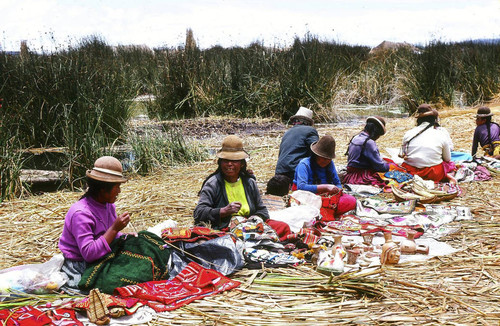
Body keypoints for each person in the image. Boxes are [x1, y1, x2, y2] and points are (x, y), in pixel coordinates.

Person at [59, 156, 132, 290]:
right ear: (103, 189)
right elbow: (89, 253)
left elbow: (108, 236)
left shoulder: (107, 205)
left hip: (101, 255)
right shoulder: (81, 213)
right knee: (113, 285)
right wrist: (115, 229)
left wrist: (123, 236)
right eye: (117, 187)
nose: (119, 191)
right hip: (79, 264)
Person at [194, 135, 270, 230]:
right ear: (220, 163)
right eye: (226, 160)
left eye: (234, 161)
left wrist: (255, 218)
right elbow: (199, 213)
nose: (229, 164)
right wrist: (223, 211)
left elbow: (263, 210)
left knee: (282, 226)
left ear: (242, 164)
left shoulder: (249, 183)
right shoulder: (213, 184)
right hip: (225, 228)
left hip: (250, 225)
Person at [294, 135, 357, 216]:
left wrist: (337, 190)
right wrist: (325, 187)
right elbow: (301, 186)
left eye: (329, 159)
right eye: (323, 158)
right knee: (305, 205)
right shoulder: (304, 164)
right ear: (316, 155)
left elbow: (337, 182)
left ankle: (325, 211)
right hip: (307, 196)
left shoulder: (330, 164)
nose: (326, 161)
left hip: (326, 197)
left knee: (351, 201)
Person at [399, 104, 456, 183]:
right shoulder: (440, 134)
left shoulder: (408, 134)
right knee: (450, 165)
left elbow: (404, 154)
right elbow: (447, 159)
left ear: (418, 120)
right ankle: (448, 177)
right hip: (433, 173)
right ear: (434, 120)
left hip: (410, 173)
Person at [343, 116, 390, 187]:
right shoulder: (369, 143)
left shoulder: (356, 137)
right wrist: (388, 165)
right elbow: (380, 167)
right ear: (376, 132)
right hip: (361, 176)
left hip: (350, 175)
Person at [275, 107, 319, 181]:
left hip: (280, 172)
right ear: (307, 122)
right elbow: (317, 151)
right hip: (295, 170)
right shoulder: (310, 130)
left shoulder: (287, 132)